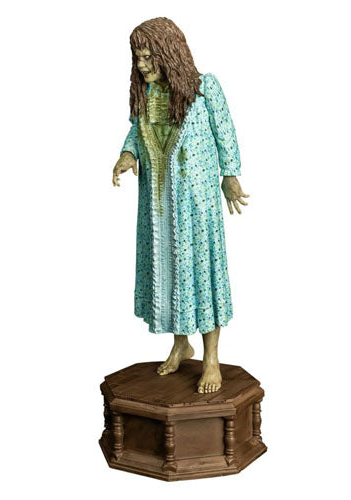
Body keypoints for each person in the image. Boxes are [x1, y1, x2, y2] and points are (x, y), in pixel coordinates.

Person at [112, 18, 249, 393]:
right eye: (137, 58)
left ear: (168, 53)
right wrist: (127, 154)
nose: (141, 65)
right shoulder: (146, 95)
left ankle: (211, 358)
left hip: (196, 203)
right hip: (158, 202)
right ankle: (180, 344)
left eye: (148, 57)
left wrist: (230, 176)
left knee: (201, 273)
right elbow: (136, 131)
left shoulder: (205, 88)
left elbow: (225, 131)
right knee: (169, 271)